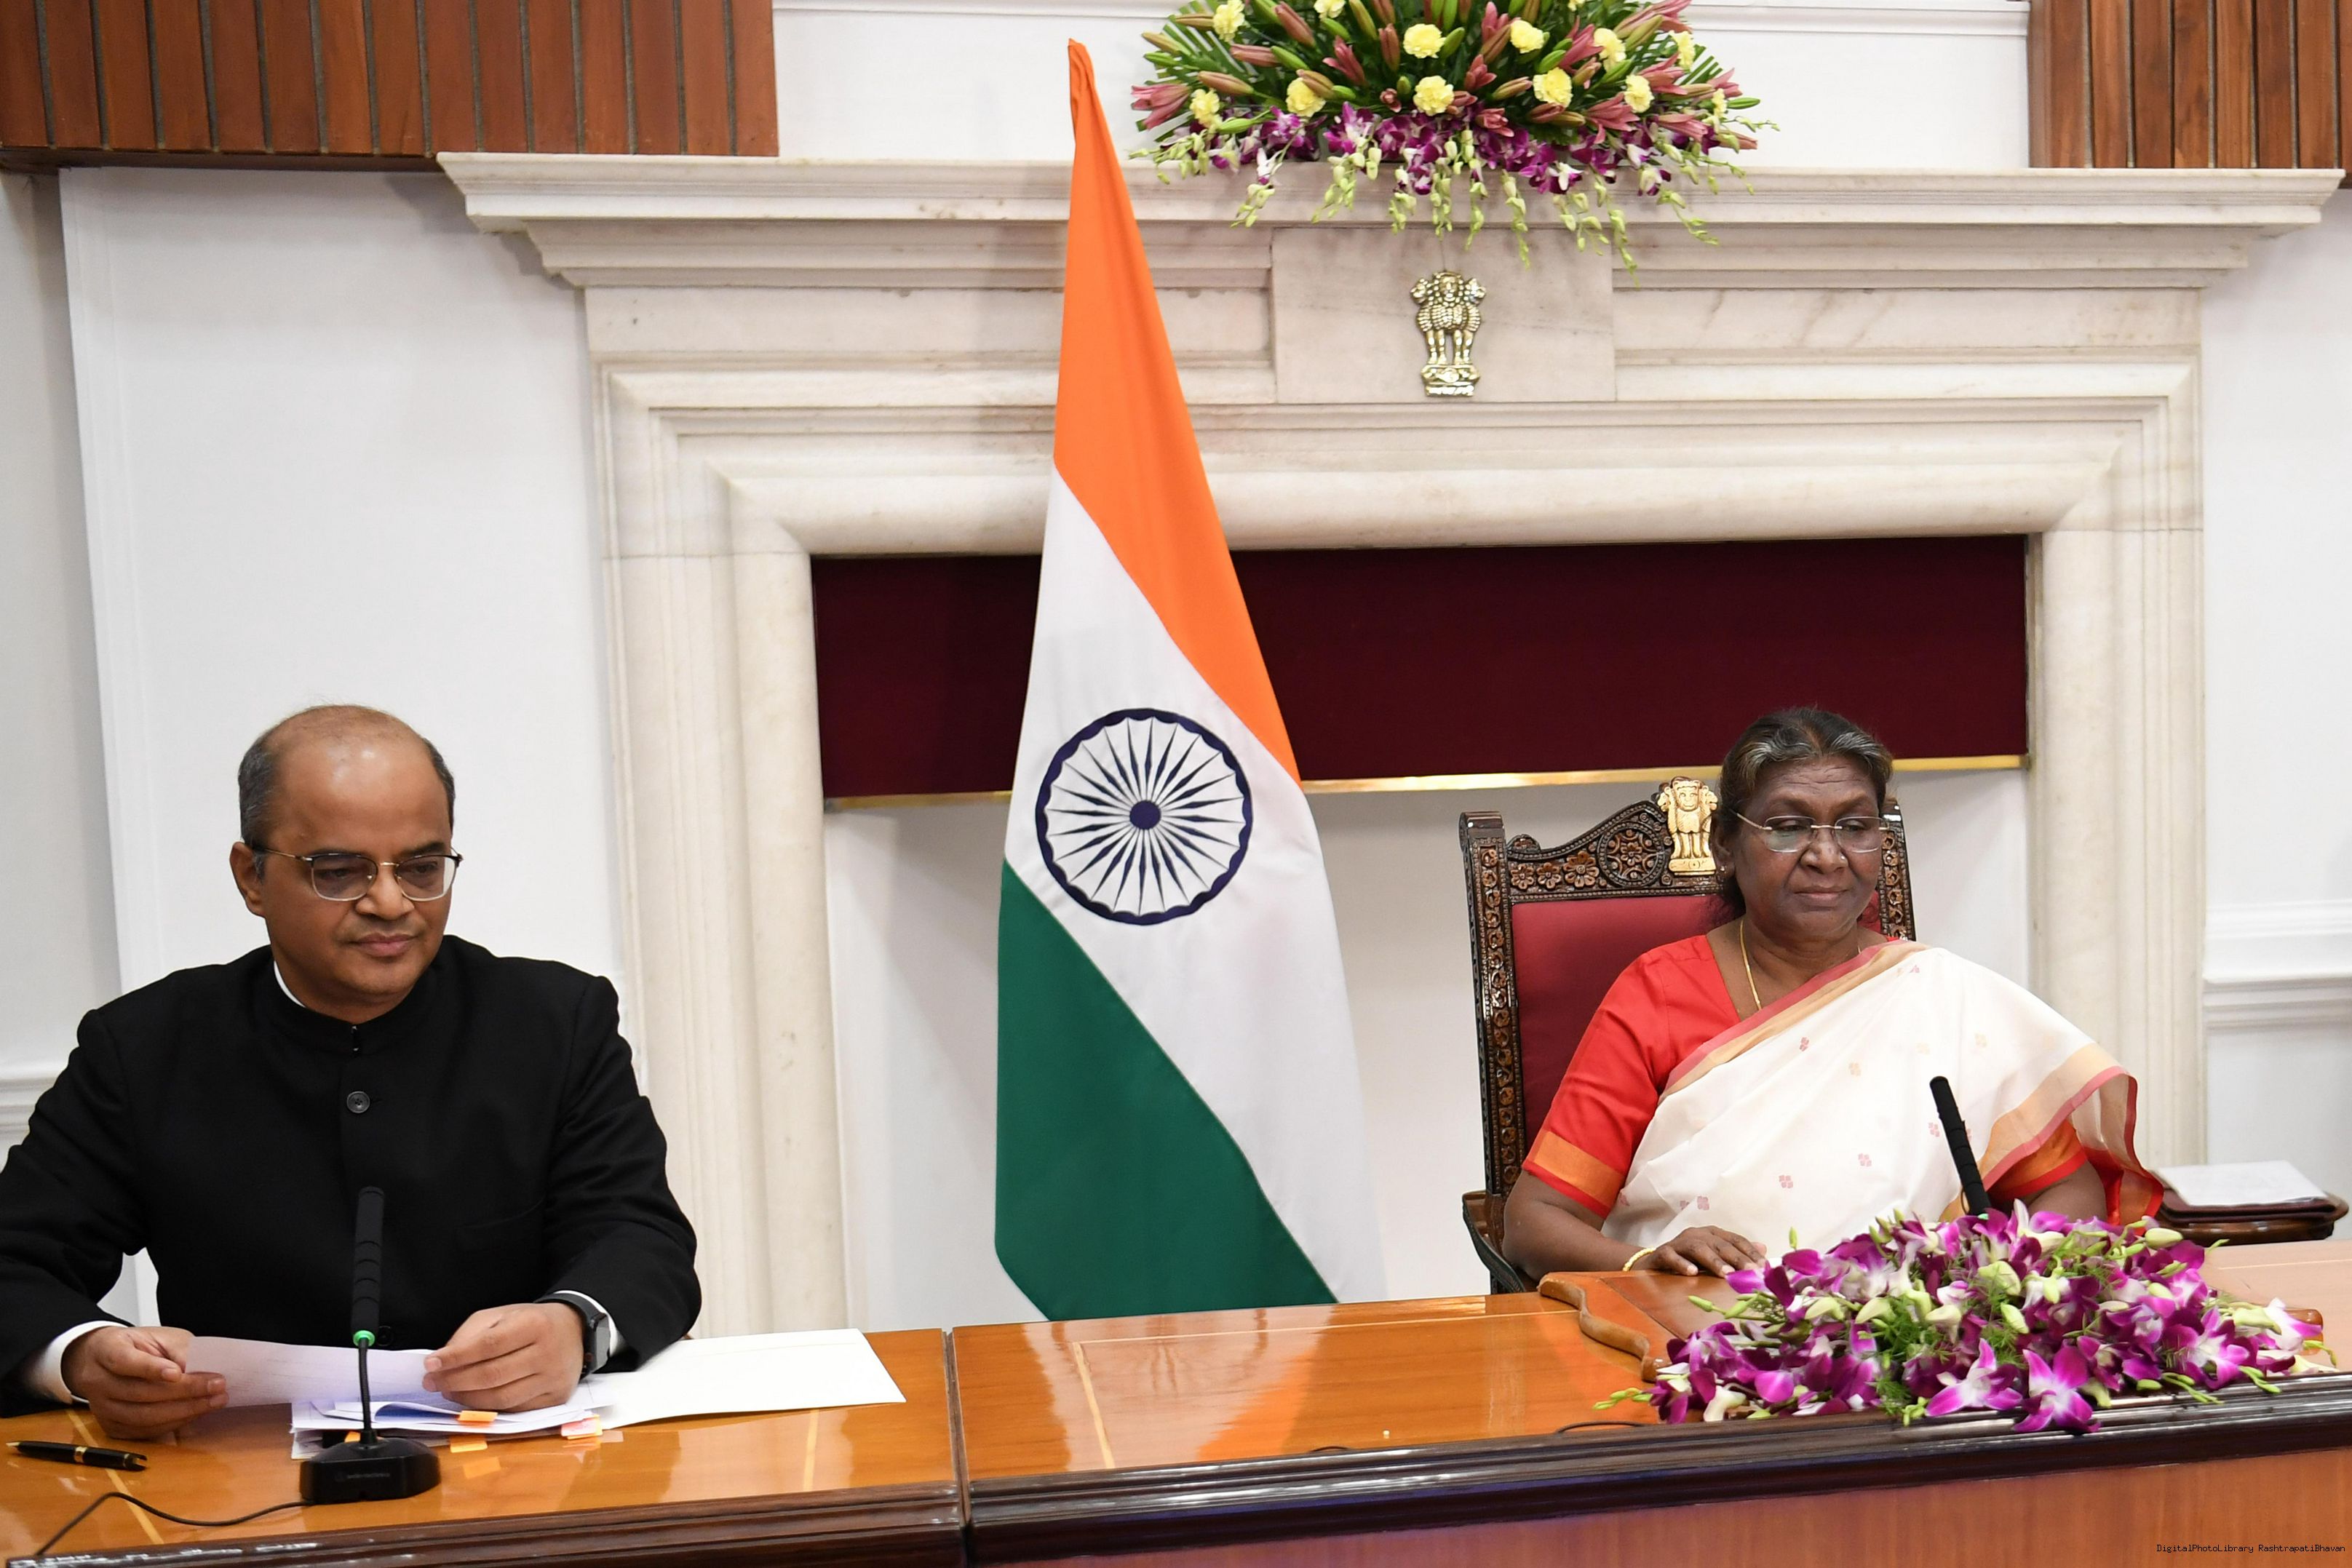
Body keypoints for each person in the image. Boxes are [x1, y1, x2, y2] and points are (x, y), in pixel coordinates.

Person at [0, 706, 699, 1436]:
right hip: (237, 1468)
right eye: (339, 871)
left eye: (422, 868)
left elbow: (639, 1238)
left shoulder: (554, 1020)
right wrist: (79, 1354)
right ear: (251, 877)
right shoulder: (145, 1047)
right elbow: (15, 1260)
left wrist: (574, 1325)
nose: (391, 902)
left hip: (521, 1454)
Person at [1501, 707, 2156, 1282]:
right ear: (1726, 843)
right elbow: (1535, 1221)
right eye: (1788, 826)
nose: (1827, 855)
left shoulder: (1939, 995)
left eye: (1854, 826)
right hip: (1701, 1333)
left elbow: (2068, 1193)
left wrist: (1986, 1276)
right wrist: (1648, 1264)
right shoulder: (1659, 992)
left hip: (1907, 1338)